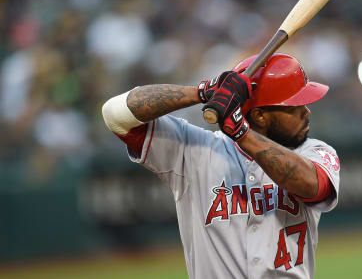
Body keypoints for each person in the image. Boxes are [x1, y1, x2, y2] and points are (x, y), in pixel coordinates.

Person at [102, 53, 340, 279]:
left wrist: (242, 133)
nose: (306, 112)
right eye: (294, 106)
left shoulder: (315, 152)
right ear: (260, 116)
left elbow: (312, 186)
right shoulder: (194, 151)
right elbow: (116, 113)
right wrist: (203, 92)